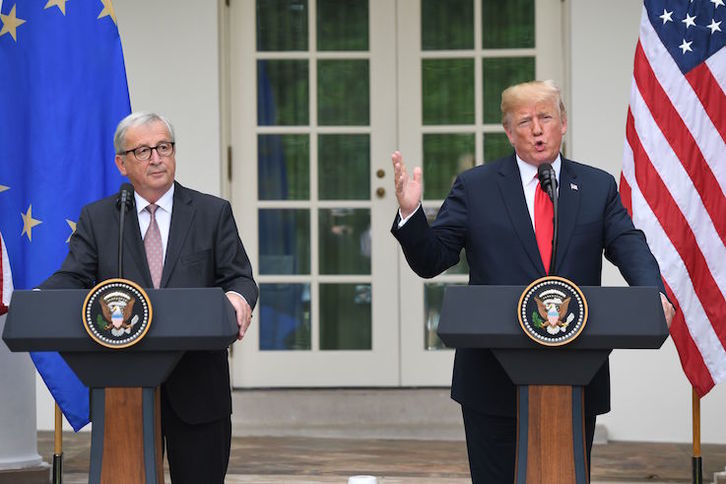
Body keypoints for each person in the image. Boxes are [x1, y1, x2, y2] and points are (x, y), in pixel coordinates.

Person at [390, 80, 675, 482]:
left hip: (575, 376)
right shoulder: (476, 187)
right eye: (524, 121)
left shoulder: (596, 187)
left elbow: (628, 244)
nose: (537, 129)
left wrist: (653, 295)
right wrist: (411, 214)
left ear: (564, 123)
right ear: (509, 132)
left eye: (546, 117)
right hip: (492, 379)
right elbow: (432, 259)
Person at [39, 112, 258, 483]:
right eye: (143, 150)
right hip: (124, 388)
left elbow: (238, 276)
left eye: (163, 147)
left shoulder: (211, 212)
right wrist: (39, 301)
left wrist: (238, 297)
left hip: (198, 387)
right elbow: (72, 277)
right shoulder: (100, 219)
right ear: (121, 164)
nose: (157, 157)